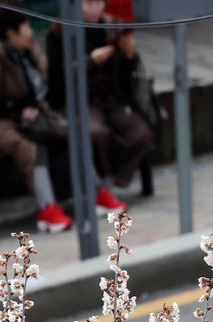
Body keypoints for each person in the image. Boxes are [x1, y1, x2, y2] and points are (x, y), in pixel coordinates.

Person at [0, 1, 128, 233]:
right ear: (11, 33)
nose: (31, 32)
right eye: (26, 27)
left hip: (28, 114)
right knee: (32, 147)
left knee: (71, 130)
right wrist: (19, 110)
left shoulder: (25, 48)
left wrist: (32, 107)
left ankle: (96, 191)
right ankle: (47, 209)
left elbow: (45, 81)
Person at [47, 0, 154, 190]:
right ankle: (104, 181)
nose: (93, 8)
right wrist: (89, 62)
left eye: (98, 2)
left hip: (112, 99)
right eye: (88, 3)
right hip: (80, 100)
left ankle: (116, 178)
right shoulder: (60, 32)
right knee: (97, 132)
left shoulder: (112, 27)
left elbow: (126, 75)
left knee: (141, 132)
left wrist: (130, 56)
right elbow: (58, 78)